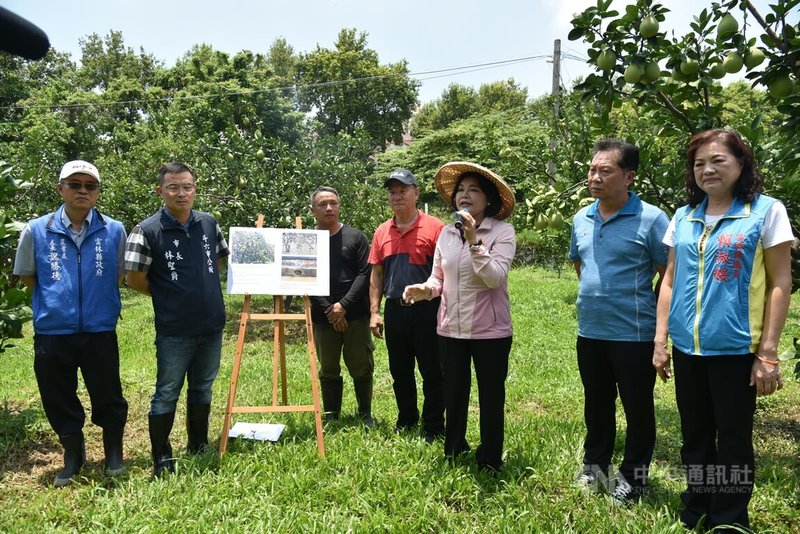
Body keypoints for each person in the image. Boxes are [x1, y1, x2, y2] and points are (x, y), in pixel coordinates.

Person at [652, 129, 792, 532]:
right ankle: (697, 506)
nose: (707, 169)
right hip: (688, 347)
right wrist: (661, 340)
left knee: (732, 437)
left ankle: (729, 518)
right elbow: (670, 280)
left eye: (717, 161)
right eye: (699, 163)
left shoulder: (765, 212)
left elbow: (781, 282)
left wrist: (767, 352)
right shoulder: (684, 216)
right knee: (694, 434)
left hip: (735, 346)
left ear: (741, 164)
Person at [13, 160, 128, 486]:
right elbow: (28, 277)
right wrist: (57, 305)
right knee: (57, 394)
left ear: (97, 192)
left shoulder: (114, 230)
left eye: (89, 186)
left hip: (99, 329)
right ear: (60, 188)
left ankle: (113, 453)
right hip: (53, 330)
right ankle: (73, 454)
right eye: (74, 184)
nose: (82, 191)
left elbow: (119, 275)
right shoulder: (37, 229)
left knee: (108, 393)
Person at [568, 140, 670, 504]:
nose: (594, 177)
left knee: (637, 408)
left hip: (634, 334)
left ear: (628, 176)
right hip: (591, 331)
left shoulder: (652, 219)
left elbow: (668, 274)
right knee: (596, 403)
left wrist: (657, 326)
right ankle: (594, 466)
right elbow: (580, 265)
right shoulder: (582, 217)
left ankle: (634, 478)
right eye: (592, 169)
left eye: (604, 170)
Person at [403, 162, 516, 473]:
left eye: (474, 190)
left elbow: (494, 278)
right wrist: (423, 289)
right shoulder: (446, 235)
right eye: (461, 190)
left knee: (491, 395)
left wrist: (474, 239)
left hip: (490, 331)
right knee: (453, 392)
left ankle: (490, 458)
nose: (465, 195)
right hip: (450, 329)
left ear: (489, 199)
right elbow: (439, 278)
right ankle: (454, 448)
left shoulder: (502, 232)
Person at [125, 161, 229, 476]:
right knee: (167, 390)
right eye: (173, 187)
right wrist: (169, 296)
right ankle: (162, 456)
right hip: (174, 329)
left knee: (203, 387)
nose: (181, 193)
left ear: (194, 189)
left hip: (211, 325)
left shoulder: (209, 223)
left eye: (187, 187)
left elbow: (221, 262)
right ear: (161, 191)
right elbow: (133, 279)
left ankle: (198, 443)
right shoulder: (146, 230)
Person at [369, 168, 445, 442]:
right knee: (400, 371)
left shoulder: (436, 228)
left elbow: (446, 271)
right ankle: (407, 419)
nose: (397, 196)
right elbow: (376, 273)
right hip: (395, 309)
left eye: (403, 190)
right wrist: (374, 313)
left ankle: (435, 426)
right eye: (392, 192)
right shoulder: (381, 231)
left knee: (432, 370)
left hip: (428, 309)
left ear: (416, 192)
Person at [308, 186, 375, 427]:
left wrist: (343, 306)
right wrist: (330, 310)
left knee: (361, 365)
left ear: (339, 205)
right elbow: (305, 277)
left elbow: (364, 273)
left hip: (356, 314)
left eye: (333, 203)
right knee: (328, 367)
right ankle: (331, 416)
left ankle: (365, 413)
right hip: (323, 316)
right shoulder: (307, 240)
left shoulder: (356, 237)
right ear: (313, 210)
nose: (329, 208)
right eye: (323, 204)